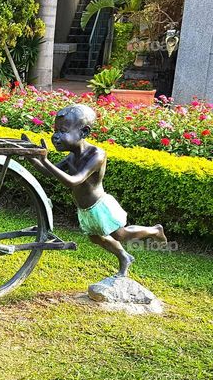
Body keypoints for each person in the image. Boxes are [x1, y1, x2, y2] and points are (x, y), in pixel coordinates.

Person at [24, 104, 166, 276]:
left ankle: (155, 230)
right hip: (85, 209)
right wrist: (32, 158)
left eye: (63, 131)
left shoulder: (96, 155)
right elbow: (49, 173)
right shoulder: (72, 156)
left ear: (84, 132)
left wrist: (45, 161)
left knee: (120, 235)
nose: (56, 136)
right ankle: (124, 257)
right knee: (96, 238)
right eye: (55, 131)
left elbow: (73, 181)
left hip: (100, 207)